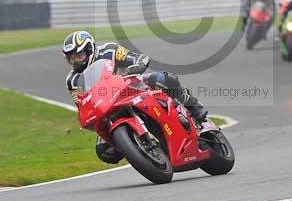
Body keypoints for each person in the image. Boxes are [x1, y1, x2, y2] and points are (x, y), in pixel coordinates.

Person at [63, 30, 209, 164]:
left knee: (164, 78)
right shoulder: (72, 80)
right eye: (71, 58)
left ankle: (195, 108)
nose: (75, 61)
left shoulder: (109, 50)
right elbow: (81, 104)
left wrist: (136, 67)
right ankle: (140, 149)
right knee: (104, 151)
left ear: (89, 50)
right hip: (107, 105)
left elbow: (139, 58)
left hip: (132, 87)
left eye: (78, 56)